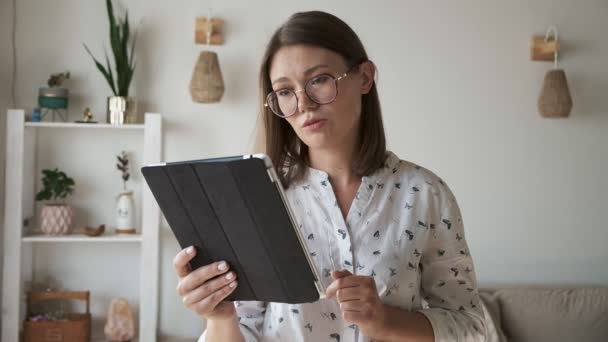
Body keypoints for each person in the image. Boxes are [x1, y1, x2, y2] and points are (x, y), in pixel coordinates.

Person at [173, 10, 486, 342]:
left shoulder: (426, 195)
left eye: (318, 80)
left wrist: (384, 321)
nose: (304, 104)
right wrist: (219, 318)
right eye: (284, 92)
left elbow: (469, 328)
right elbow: (245, 330)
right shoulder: (256, 201)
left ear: (364, 77)